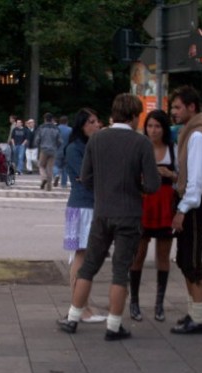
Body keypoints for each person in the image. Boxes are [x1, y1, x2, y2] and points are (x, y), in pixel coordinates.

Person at [57, 93, 160, 340]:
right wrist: (137, 185)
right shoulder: (141, 143)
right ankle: (114, 326)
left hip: (101, 213)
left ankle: (73, 318)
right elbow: (153, 185)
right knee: (120, 271)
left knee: (89, 266)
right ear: (135, 116)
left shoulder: (97, 140)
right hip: (128, 214)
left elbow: (87, 177)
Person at [168, 86, 202, 335]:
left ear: (192, 107)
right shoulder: (192, 133)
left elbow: (196, 182)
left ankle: (199, 318)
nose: (174, 112)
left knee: (192, 260)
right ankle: (193, 313)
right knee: (186, 258)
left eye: (177, 107)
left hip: (194, 205)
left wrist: (182, 210)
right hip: (194, 202)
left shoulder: (197, 136)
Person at [129, 110, 178, 323]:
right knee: (138, 254)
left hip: (166, 204)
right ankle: (134, 302)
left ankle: (159, 304)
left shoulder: (173, 150)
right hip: (144, 203)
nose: (153, 130)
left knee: (163, 256)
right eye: (149, 126)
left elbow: (182, 177)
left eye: (157, 126)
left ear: (164, 129)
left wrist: (172, 174)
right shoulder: (140, 147)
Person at [62, 108, 105, 323]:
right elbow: (85, 177)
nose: (97, 125)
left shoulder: (91, 146)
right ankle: (79, 308)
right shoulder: (75, 148)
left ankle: (82, 305)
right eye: (92, 121)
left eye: (97, 121)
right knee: (81, 257)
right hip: (82, 207)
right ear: (82, 126)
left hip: (90, 205)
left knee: (85, 257)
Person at [33, 112, 62, 191]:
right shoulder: (56, 128)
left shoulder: (41, 127)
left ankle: (44, 178)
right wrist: (56, 147)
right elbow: (60, 141)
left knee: (41, 165)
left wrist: (38, 145)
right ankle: (49, 187)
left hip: (44, 149)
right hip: (53, 150)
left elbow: (37, 140)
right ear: (52, 119)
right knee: (50, 168)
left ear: (45, 119)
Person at [53, 115, 72, 187]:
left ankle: (56, 174)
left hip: (57, 150)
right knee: (65, 168)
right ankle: (63, 184)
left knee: (55, 165)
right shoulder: (70, 130)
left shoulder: (56, 129)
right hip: (67, 150)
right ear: (67, 121)